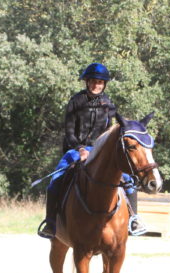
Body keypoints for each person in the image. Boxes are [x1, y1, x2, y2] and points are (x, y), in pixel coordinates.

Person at [37, 62, 146, 238]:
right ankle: (51, 223)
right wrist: (80, 149)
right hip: (75, 149)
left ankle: (134, 218)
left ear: (104, 85)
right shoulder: (75, 101)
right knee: (55, 181)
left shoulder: (108, 104)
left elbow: (111, 131)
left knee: (128, 181)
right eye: (94, 82)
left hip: (100, 150)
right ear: (87, 82)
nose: (97, 85)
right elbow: (69, 131)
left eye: (100, 83)